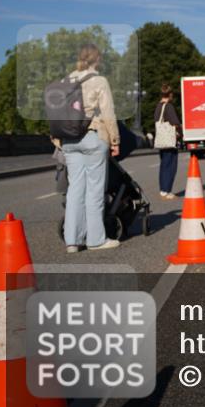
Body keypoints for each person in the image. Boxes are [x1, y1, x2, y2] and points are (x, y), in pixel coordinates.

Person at [61, 43, 120, 252]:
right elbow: (108, 113)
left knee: (74, 190)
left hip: (68, 140)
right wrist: (115, 140)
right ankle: (96, 240)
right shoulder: (99, 80)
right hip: (92, 135)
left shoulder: (66, 80)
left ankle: (72, 241)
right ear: (97, 59)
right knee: (94, 191)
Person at [154, 84, 182, 200]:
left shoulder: (158, 107)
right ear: (170, 94)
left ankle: (163, 189)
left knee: (163, 164)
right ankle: (167, 190)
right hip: (169, 140)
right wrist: (180, 131)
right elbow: (175, 122)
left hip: (162, 139)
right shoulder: (168, 106)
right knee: (170, 165)